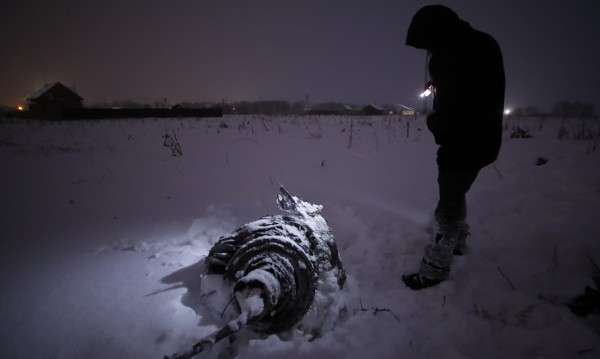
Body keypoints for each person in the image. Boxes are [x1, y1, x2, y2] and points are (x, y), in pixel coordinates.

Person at [402, 5, 505, 290]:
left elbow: (452, 109)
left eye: (426, 46)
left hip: (461, 142)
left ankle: (434, 268)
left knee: (447, 204)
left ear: (434, 35)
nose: (427, 53)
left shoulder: (446, 57)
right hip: (486, 140)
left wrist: (435, 122)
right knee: (457, 191)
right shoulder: (485, 42)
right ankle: (458, 242)